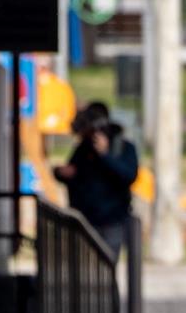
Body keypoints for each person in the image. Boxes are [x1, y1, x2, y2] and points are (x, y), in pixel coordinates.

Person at [53, 102, 140, 262]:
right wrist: (61, 173)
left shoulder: (123, 147)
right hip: (84, 220)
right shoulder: (84, 148)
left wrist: (105, 155)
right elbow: (76, 174)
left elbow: (128, 176)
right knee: (86, 268)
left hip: (112, 220)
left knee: (106, 266)